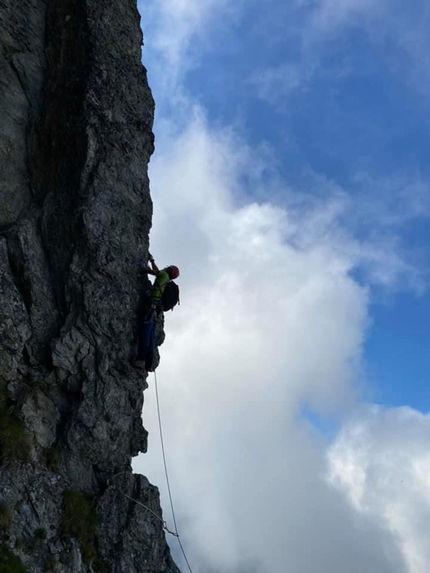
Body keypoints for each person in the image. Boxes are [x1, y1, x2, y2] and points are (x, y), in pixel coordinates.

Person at [134, 253, 180, 369]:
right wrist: (152, 260)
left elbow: (149, 271)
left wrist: (139, 266)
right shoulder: (165, 279)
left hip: (151, 307)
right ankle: (148, 363)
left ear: (168, 270)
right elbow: (157, 271)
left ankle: (141, 359)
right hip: (157, 311)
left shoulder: (163, 275)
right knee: (150, 336)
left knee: (145, 333)